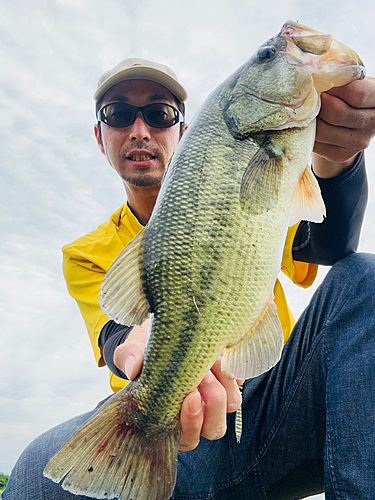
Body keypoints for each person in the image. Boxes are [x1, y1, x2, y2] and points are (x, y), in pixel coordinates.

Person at [3, 56, 375, 500]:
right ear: (99, 137)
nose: (139, 130)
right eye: (119, 114)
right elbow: (115, 331)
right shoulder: (84, 252)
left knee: (365, 279)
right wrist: (141, 354)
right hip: (178, 428)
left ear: (182, 131)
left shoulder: (253, 186)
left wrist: (340, 159)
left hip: (273, 408)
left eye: (159, 114)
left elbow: (330, 246)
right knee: (31, 476)